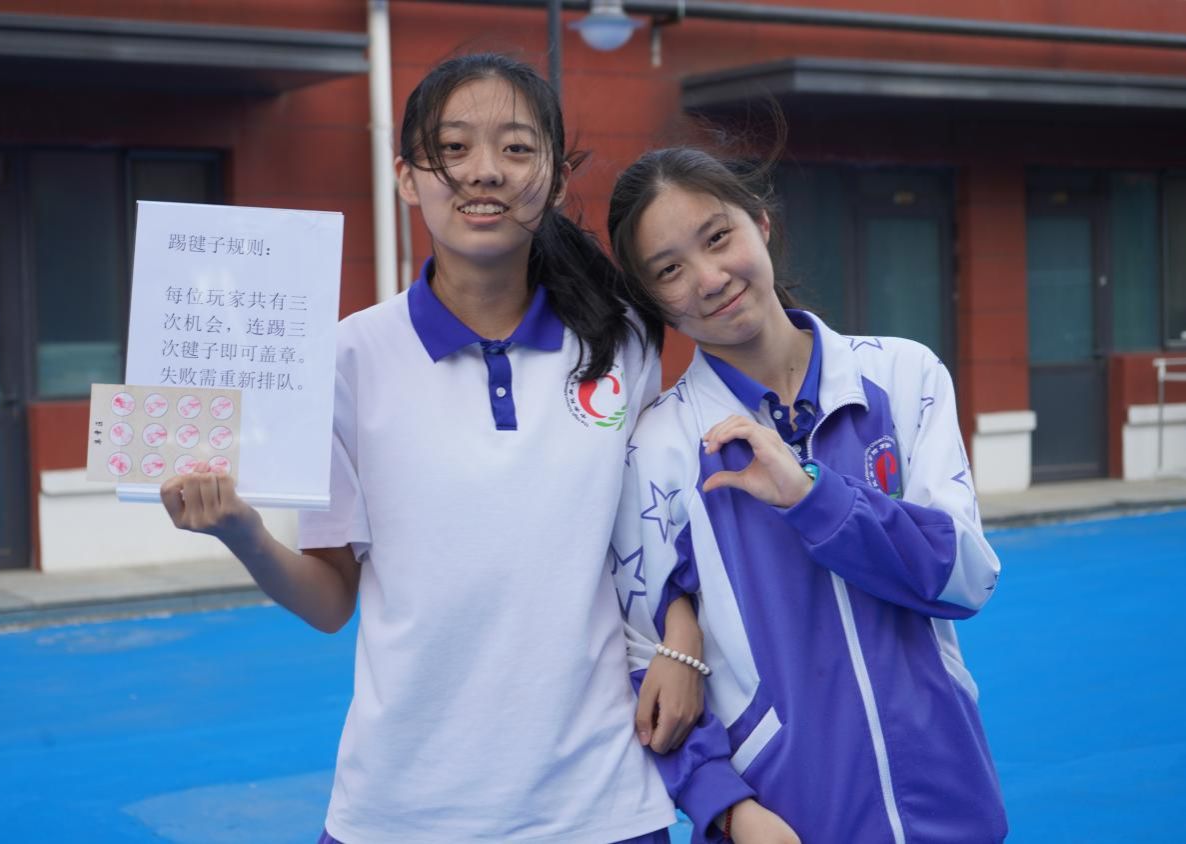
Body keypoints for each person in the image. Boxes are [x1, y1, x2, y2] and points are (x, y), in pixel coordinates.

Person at [158, 54, 711, 843]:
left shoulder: (621, 341)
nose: (484, 171)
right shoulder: (345, 360)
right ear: (407, 179)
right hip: (401, 808)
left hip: (601, 806)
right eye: (453, 148)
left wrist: (683, 642)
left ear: (556, 181)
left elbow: (653, 533)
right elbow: (331, 600)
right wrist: (241, 531)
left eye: (516, 148)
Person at [605, 147, 1009, 844]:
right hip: (783, 821)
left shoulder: (904, 376)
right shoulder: (658, 449)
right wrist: (730, 809)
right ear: (651, 299)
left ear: (761, 223)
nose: (709, 279)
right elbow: (643, 662)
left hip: (949, 806)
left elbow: (965, 578)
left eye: (718, 237)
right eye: (669, 270)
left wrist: (812, 496)